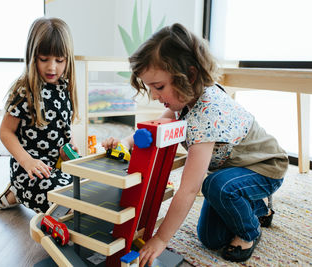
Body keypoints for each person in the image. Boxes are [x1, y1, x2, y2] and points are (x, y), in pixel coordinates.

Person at [102, 23, 288, 265]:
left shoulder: (208, 111)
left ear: (189, 76)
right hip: (230, 172)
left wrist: (160, 238)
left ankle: (250, 231)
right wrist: (125, 143)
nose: (155, 96)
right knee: (211, 238)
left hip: (265, 167)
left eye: (159, 87)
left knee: (216, 186)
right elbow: (158, 126)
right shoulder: (184, 99)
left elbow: (189, 189)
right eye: (151, 88)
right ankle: (257, 208)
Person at [0, 17, 79, 213]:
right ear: (33, 56)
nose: (52, 67)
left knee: (89, 189)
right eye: (44, 59)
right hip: (30, 171)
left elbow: (65, 127)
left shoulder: (65, 88)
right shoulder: (24, 91)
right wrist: (27, 161)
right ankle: (17, 190)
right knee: (65, 204)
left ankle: (17, 193)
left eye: (59, 60)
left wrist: (71, 145)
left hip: (57, 167)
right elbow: (6, 132)